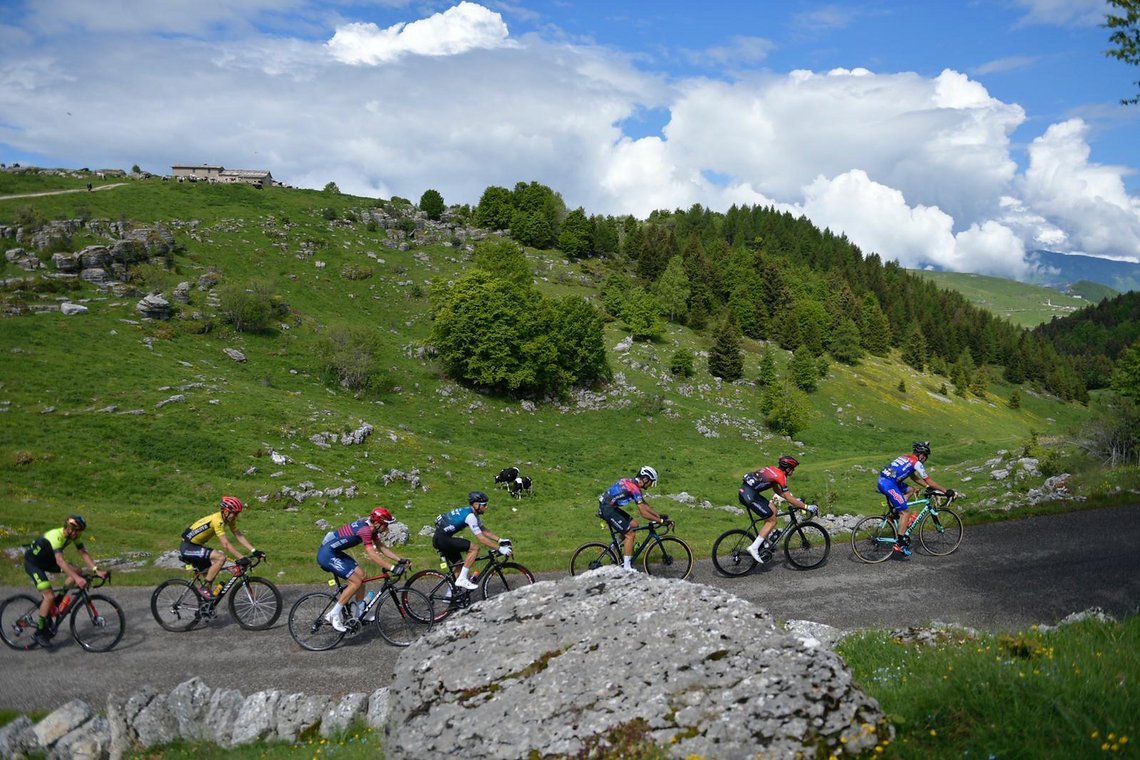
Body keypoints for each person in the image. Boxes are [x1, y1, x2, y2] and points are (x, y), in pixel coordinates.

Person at [24, 514, 109, 649]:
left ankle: (58, 600)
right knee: (48, 595)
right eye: (77, 531)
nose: (78, 534)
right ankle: (39, 632)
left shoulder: (73, 536)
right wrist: (77, 579)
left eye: (80, 532)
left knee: (78, 570)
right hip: (34, 563)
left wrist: (96, 569)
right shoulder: (56, 536)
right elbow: (60, 561)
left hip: (48, 561)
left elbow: (83, 552)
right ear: (69, 529)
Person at [318, 507, 407, 632]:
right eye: (385, 525)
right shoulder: (365, 530)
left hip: (335, 552)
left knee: (362, 576)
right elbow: (372, 554)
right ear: (377, 523)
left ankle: (358, 611)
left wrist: (399, 560)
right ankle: (332, 615)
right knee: (356, 582)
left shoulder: (372, 529)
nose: (386, 528)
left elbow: (381, 547)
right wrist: (392, 568)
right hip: (327, 555)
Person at [877, 442, 955, 557]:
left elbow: (913, 477)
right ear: (922, 455)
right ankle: (899, 544)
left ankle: (896, 513)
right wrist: (945, 491)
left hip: (886, 481)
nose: (925, 460)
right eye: (926, 457)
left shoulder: (905, 457)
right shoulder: (917, 463)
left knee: (910, 490)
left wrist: (927, 488)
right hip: (889, 484)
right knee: (906, 512)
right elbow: (929, 480)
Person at [179, 496, 264, 600]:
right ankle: (204, 588)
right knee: (221, 558)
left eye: (237, 514)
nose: (236, 516)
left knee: (210, 575)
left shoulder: (228, 519)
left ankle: (206, 606)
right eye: (234, 513)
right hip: (188, 547)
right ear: (226, 511)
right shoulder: (217, 520)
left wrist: (254, 550)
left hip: (196, 546)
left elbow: (238, 534)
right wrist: (241, 557)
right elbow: (226, 544)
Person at [738, 456, 817, 564]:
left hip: (748, 492)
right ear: (788, 468)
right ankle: (754, 548)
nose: (793, 471)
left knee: (773, 511)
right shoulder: (781, 476)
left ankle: (764, 543)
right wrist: (806, 507)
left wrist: (794, 501)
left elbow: (777, 490)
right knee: (772, 520)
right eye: (793, 469)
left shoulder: (772, 469)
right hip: (749, 496)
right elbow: (787, 496)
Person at [433, 491, 511, 590]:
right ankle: (462, 579)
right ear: (476, 505)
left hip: (442, 538)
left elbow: (483, 530)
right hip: (442, 539)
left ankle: (453, 597)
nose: (486, 507)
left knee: (460, 565)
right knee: (474, 548)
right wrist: (500, 549)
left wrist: (500, 540)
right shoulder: (471, 517)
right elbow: (481, 539)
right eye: (484, 505)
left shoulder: (472, 513)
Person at [598, 466, 666, 571]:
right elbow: (643, 513)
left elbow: (644, 505)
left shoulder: (633, 483)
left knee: (634, 525)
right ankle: (626, 567)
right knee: (630, 534)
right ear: (645, 479)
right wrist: (660, 521)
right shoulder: (634, 488)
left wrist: (658, 516)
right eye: (651, 482)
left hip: (609, 506)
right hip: (607, 508)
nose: (651, 485)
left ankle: (612, 548)